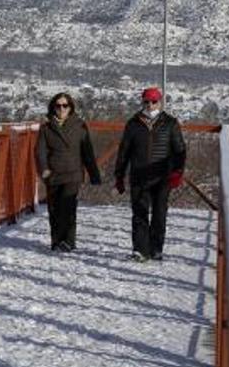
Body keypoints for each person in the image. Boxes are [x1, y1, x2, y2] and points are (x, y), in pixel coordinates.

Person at [113, 86, 187, 261]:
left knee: (159, 213)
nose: (150, 105)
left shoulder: (170, 123)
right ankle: (140, 249)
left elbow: (180, 150)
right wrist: (119, 176)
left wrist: (177, 172)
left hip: (163, 176)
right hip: (139, 175)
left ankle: (156, 248)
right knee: (139, 212)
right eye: (146, 101)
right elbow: (124, 152)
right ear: (142, 102)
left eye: (154, 101)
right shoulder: (133, 123)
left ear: (159, 102)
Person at [35, 92, 101, 252]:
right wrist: (43, 169)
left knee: (68, 206)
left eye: (65, 105)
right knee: (54, 208)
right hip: (53, 173)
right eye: (58, 106)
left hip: (73, 172)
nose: (61, 109)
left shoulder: (79, 125)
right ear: (53, 108)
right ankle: (56, 241)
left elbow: (87, 152)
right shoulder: (46, 128)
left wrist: (94, 174)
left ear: (70, 107)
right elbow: (40, 151)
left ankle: (68, 241)